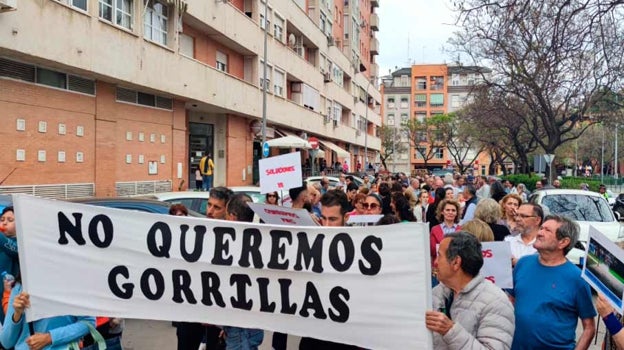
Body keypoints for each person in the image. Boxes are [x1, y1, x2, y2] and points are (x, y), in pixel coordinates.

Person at [510, 215, 596, 350]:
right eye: (541, 228)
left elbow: (589, 327)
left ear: (563, 242)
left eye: (547, 230)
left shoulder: (577, 279)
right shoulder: (523, 263)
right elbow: (510, 301)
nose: (539, 233)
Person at [426, 232, 514, 350]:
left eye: (439, 256)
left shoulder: (496, 302)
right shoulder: (436, 294)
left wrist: (450, 331)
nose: (435, 262)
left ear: (456, 262)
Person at [299, 190, 359, 350]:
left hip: (345, 334)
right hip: (314, 332)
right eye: (323, 218)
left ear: (346, 217)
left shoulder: (358, 244)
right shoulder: (312, 240)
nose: (326, 224)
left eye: (332, 219)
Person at [222, 193, 264, 349]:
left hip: (240, 327)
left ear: (232, 217)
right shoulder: (259, 242)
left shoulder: (232, 246)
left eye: (226, 215)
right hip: (252, 323)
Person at [430, 199, 462, 285]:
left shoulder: (461, 229)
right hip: (439, 270)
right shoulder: (434, 229)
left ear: (456, 213)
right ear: (442, 212)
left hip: (456, 270)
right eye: (447, 210)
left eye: (453, 210)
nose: (450, 212)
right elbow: (432, 250)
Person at [0, 206, 19, 323]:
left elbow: (14, 249)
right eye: (2, 219)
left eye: (10, 220)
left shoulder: (21, 242)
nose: (5, 222)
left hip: (10, 297)